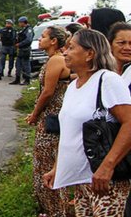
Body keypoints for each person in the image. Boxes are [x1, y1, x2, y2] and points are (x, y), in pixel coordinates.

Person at [43, 29, 131, 216]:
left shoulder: (107, 80)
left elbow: (129, 123)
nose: (65, 52)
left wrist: (107, 167)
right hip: (82, 181)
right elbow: (70, 134)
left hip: (105, 182)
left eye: (71, 48)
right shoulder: (73, 87)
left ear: (90, 53)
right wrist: (56, 168)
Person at [26, 26, 71, 216]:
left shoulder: (56, 60)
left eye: (43, 37)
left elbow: (48, 92)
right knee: (49, 161)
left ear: (53, 41)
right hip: (54, 116)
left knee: (45, 163)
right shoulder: (57, 59)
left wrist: (35, 114)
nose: (40, 40)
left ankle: (53, 209)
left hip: (51, 117)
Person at [107, 22, 131, 217]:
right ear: (110, 44)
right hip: (107, 148)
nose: (127, 47)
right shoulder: (102, 75)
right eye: (121, 42)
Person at [10, 16, 33, 85]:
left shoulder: (29, 30)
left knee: (26, 65)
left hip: (25, 49)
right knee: (18, 64)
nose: (19, 24)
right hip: (20, 50)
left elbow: (28, 40)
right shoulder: (23, 30)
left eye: (20, 22)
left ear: (23, 22)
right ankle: (17, 79)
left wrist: (19, 44)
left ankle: (27, 79)